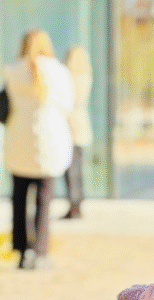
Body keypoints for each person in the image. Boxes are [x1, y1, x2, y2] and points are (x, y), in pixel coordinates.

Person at [1, 29, 74, 269]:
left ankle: (22, 251)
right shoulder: (59, 72)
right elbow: (68, 104)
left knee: (19, 199)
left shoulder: (12, 71)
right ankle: (40, 251)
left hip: (18, 143)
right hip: (49, 144)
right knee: (44, 199)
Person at [62, 46, 93, 219]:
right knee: (77, 169)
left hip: (71, 126)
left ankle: (74, 204)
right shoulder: (86, 76)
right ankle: (77, 203)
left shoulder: (70, 77)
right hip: (81, 125)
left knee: (72, 170)